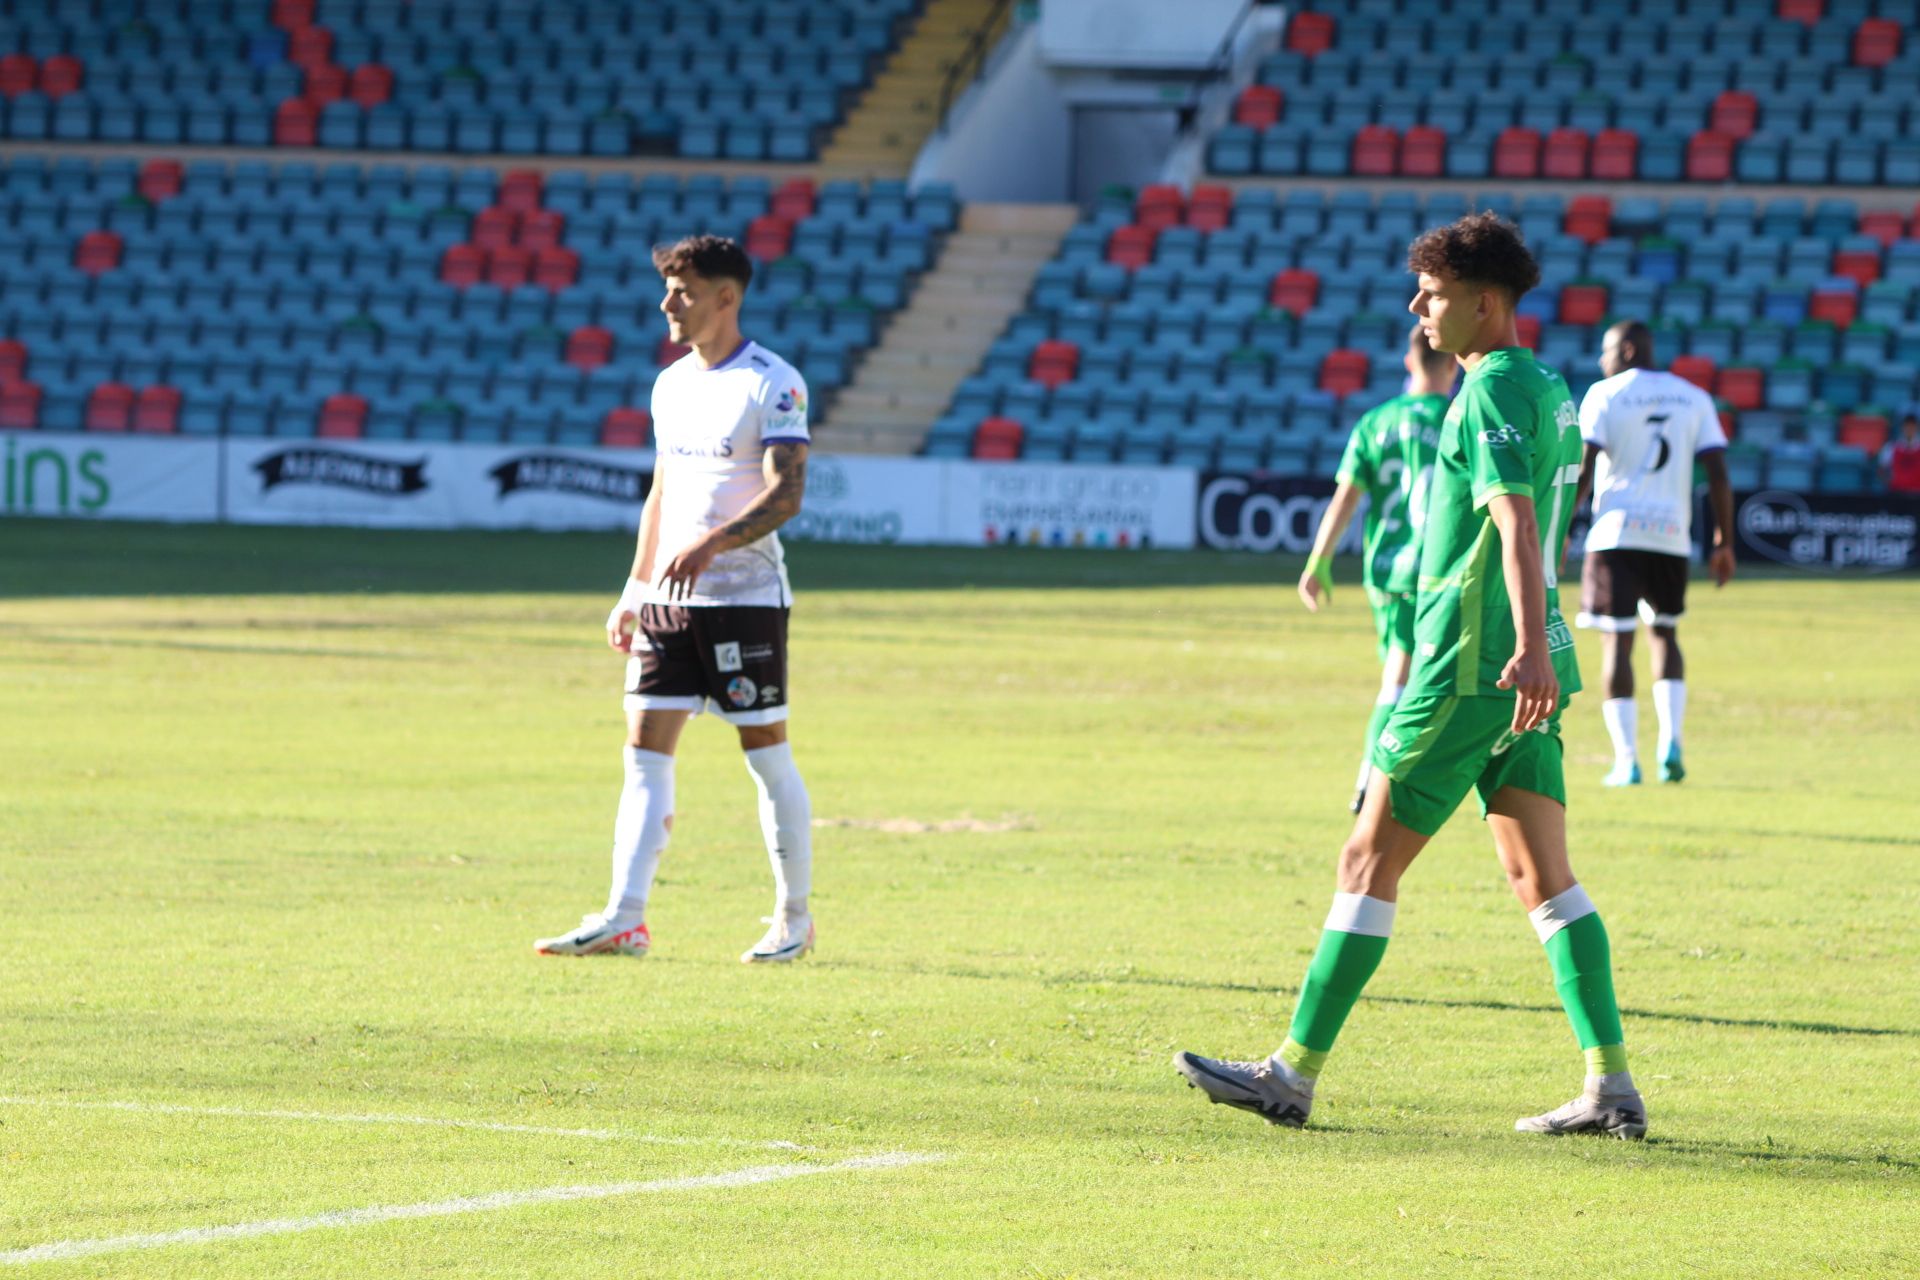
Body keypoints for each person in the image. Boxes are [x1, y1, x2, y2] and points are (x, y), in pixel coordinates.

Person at [1175, 213, 1645, 1139]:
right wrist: (1542, 642)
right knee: (1542, 877)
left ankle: (1291, 1075)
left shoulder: (1491, 392)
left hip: (1473, 667)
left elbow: (1515, 522)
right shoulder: (1546, 384)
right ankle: (1609, 1084)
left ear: (1483, 300)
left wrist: (1520, 641)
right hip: (1525, 666)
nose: (1417, 311)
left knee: (1366, 858)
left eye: (1430, 296)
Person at [535, 235, 817, 964]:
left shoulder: (773, 383)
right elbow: (661, 492)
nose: (667, 304)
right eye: (667, 289)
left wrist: (714, 545)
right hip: (668, 598)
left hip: (745, 598)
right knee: (642, 750)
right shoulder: (670, 383)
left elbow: (787, 492)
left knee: (765, 752)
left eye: (683, 291)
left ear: (726, 298)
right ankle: (625, 918)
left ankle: (794, 918)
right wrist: (635, 587)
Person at [1571, 320, 1734, 787]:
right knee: (1665, 634)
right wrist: (1724, 541)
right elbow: (1718, 474)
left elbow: (1585, 469)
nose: (1601, 361)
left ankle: (1626, 760)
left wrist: (1559, 529)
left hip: (1616, 533)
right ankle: (1672, 743)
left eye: (1605, 352)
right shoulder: (1694, 397)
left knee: (1616, 642)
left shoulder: (1604, 394)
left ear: (1625, 350)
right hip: (1670, 535)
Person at [1298, 324, 1453, 813]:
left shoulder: (1376, 421)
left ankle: (1388, 779)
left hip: (1383, 572)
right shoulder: (1456, 419)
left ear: (1409, 363)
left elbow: (1346, 497)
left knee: (1406, 677)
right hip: (1432, 573)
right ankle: (1370, 779)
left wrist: (1318, 561)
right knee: (1404, 680)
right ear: (1452, 364)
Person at [1881, 412, 1920, 493]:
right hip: (1896, 493)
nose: (1909, 429)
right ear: (1902, 427)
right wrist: (1890, 484)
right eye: (1907, 426)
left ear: (1917, 428)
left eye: (1912, 426)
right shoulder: (1890, 447)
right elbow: (1882, 470)